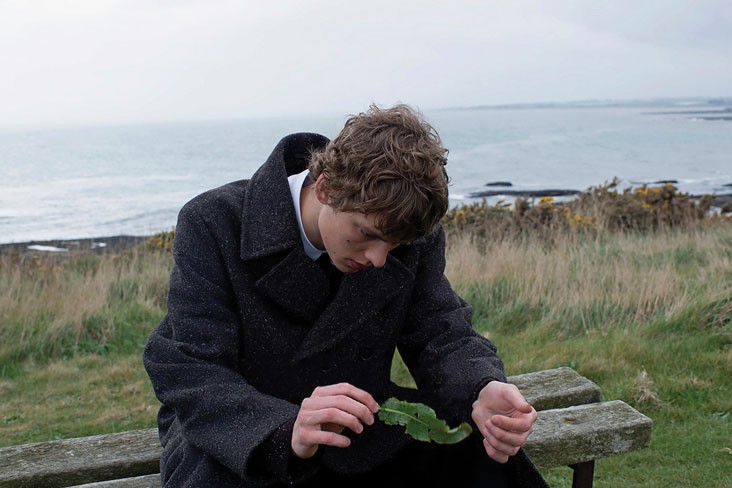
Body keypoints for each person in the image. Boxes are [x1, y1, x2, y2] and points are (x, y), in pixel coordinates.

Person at [143, 104, 548, 487]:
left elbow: (438, 331)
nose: (378, 259)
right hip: (239, 434)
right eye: (367, 234)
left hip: (357, 428)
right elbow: (193, 368)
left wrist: (481, 386)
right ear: (325, 187)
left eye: (394, 245)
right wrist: (286, 428)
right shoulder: (213, 222)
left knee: (480, 454)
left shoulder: (408, 231)